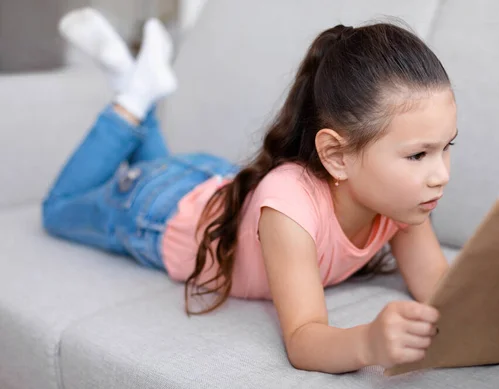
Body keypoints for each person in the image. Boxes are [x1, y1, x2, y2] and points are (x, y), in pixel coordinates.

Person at [44, 7, 457, 374]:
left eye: (446, 148)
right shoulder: (289, 211)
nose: (441, 175)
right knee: (59, 209)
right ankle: (131, 99)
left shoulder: (406, 202)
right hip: (159, 212)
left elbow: (439, 287)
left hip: (220, 187)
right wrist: (368, 342)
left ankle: (138, 86)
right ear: (335, 156)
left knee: (153, 166)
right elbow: (304, 338)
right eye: (419, 155)